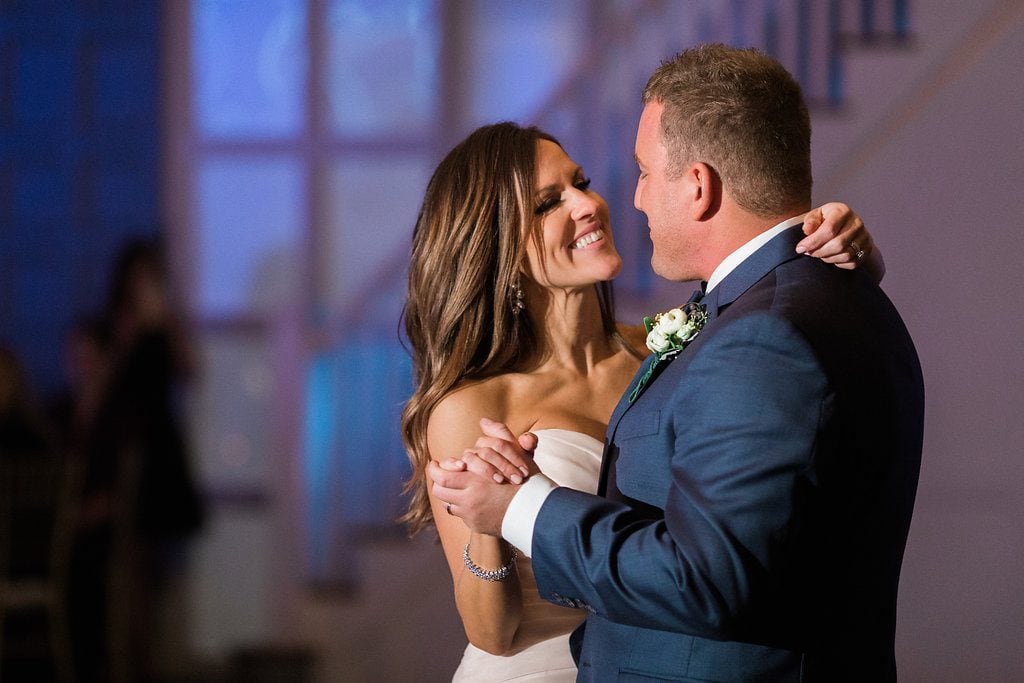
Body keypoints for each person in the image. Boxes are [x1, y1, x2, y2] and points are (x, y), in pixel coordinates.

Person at [431, 44, 924, 681]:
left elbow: (717, 552)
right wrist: (491, 519)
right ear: (499, 247)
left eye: (580, 183)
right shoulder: (472, 406)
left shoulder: (685, 347)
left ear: (697, 184)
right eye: (547, 203)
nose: (594, 203)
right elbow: (494, 631)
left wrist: (834, 258)